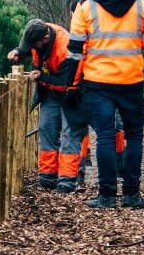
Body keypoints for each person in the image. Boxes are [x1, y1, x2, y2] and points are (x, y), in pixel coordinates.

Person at [62, 0, 144, 210]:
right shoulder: (141, 1)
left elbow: (75, 50)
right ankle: (131, 194)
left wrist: (70, 85)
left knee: (105, 137)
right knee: (135, 136)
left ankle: (106, 196)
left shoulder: (85, 5)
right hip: (131, 79)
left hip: (98, 82)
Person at [9, 20, 124, 193]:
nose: (32, 48)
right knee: (45, 126)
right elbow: (29, 48)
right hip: (50, 91)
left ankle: (68, 180)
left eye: (34, 45)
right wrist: (18, 52)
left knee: (70, 132)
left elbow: (65, 82)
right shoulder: (39, 31)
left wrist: (41, 77)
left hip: (73, 92)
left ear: (45, 38)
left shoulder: (66, 50)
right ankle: (48, 176)